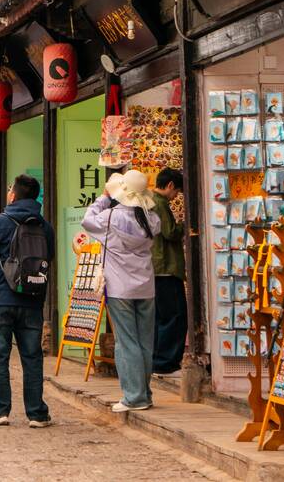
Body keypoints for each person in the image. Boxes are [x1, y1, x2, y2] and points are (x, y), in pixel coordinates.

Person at [0, 174, 54, 428]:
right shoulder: (44, 226)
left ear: (13, 195)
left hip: (2, 298)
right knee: (32, 356)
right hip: (32, 298)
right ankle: (37, 413)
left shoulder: (2, 222)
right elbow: (48, 256)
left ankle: (0, 410)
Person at [83, 170, 161, 413]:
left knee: (126, 342)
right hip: (146, 285)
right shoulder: (151, 218)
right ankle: (144, 392)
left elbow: (88, 219)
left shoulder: (110, 217)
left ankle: (134, 396)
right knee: (144, 341)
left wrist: (104, 197)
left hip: (119, 287)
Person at [151, 169, 186, 374]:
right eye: (177, 192)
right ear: (170, 185)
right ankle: (167, 362)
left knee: (160, 316)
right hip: (166, 267)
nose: (176, 197)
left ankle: (157, 359)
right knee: (175, 315)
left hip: (156, 267)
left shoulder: (149, 201)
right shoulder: (160, 203)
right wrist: (183, 225)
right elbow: (170, 232)